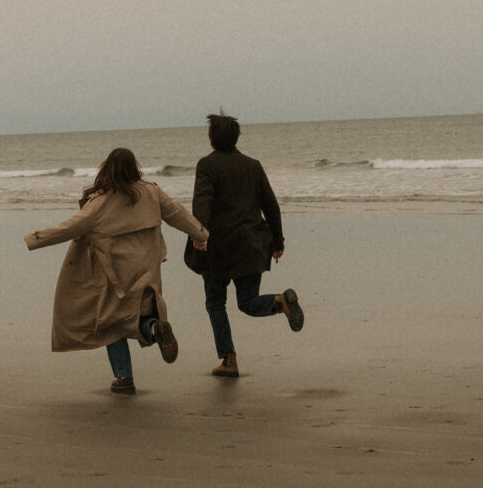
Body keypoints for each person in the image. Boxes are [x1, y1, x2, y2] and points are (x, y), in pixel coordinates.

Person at [24, 147, 209, 394]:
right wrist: (201, 234)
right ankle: (156, 329)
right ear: (135, 168)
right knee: (139, 317)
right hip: (147, 269)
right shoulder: (152, 192)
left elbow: (70, 227)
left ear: (107, 169)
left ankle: (124, 378)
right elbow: (177, 213)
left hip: (115, 276)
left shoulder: (100, 202)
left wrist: (35, 239)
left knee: (112, 324)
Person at [183, 113, 304, 377]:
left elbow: (201, 201)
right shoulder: (253, 165)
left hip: (218, 249)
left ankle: (229, 360)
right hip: (252, 243)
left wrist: (199, 235)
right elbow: (270, 205)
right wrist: (278, 241)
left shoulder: (207, 165)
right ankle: (281, 301)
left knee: (216, 303)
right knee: (248, 301)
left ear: (212, 138)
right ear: (237, 137)